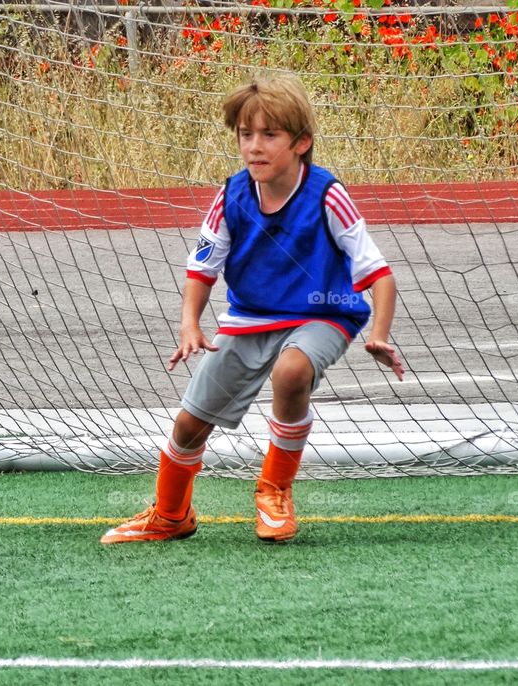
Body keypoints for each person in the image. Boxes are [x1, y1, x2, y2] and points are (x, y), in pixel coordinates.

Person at [101, 73, 404, 545]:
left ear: (301, 142)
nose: (254, 147)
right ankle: (171, 514)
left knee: (290, 372)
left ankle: (274, 491)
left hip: (324, 313)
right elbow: (202, 269)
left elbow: (379, 275)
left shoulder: (327, 194)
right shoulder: (231, 197)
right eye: (246, 135)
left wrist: (379, 333)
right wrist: (189, 325)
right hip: (250, 319)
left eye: (269, 135)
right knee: (188, 424)